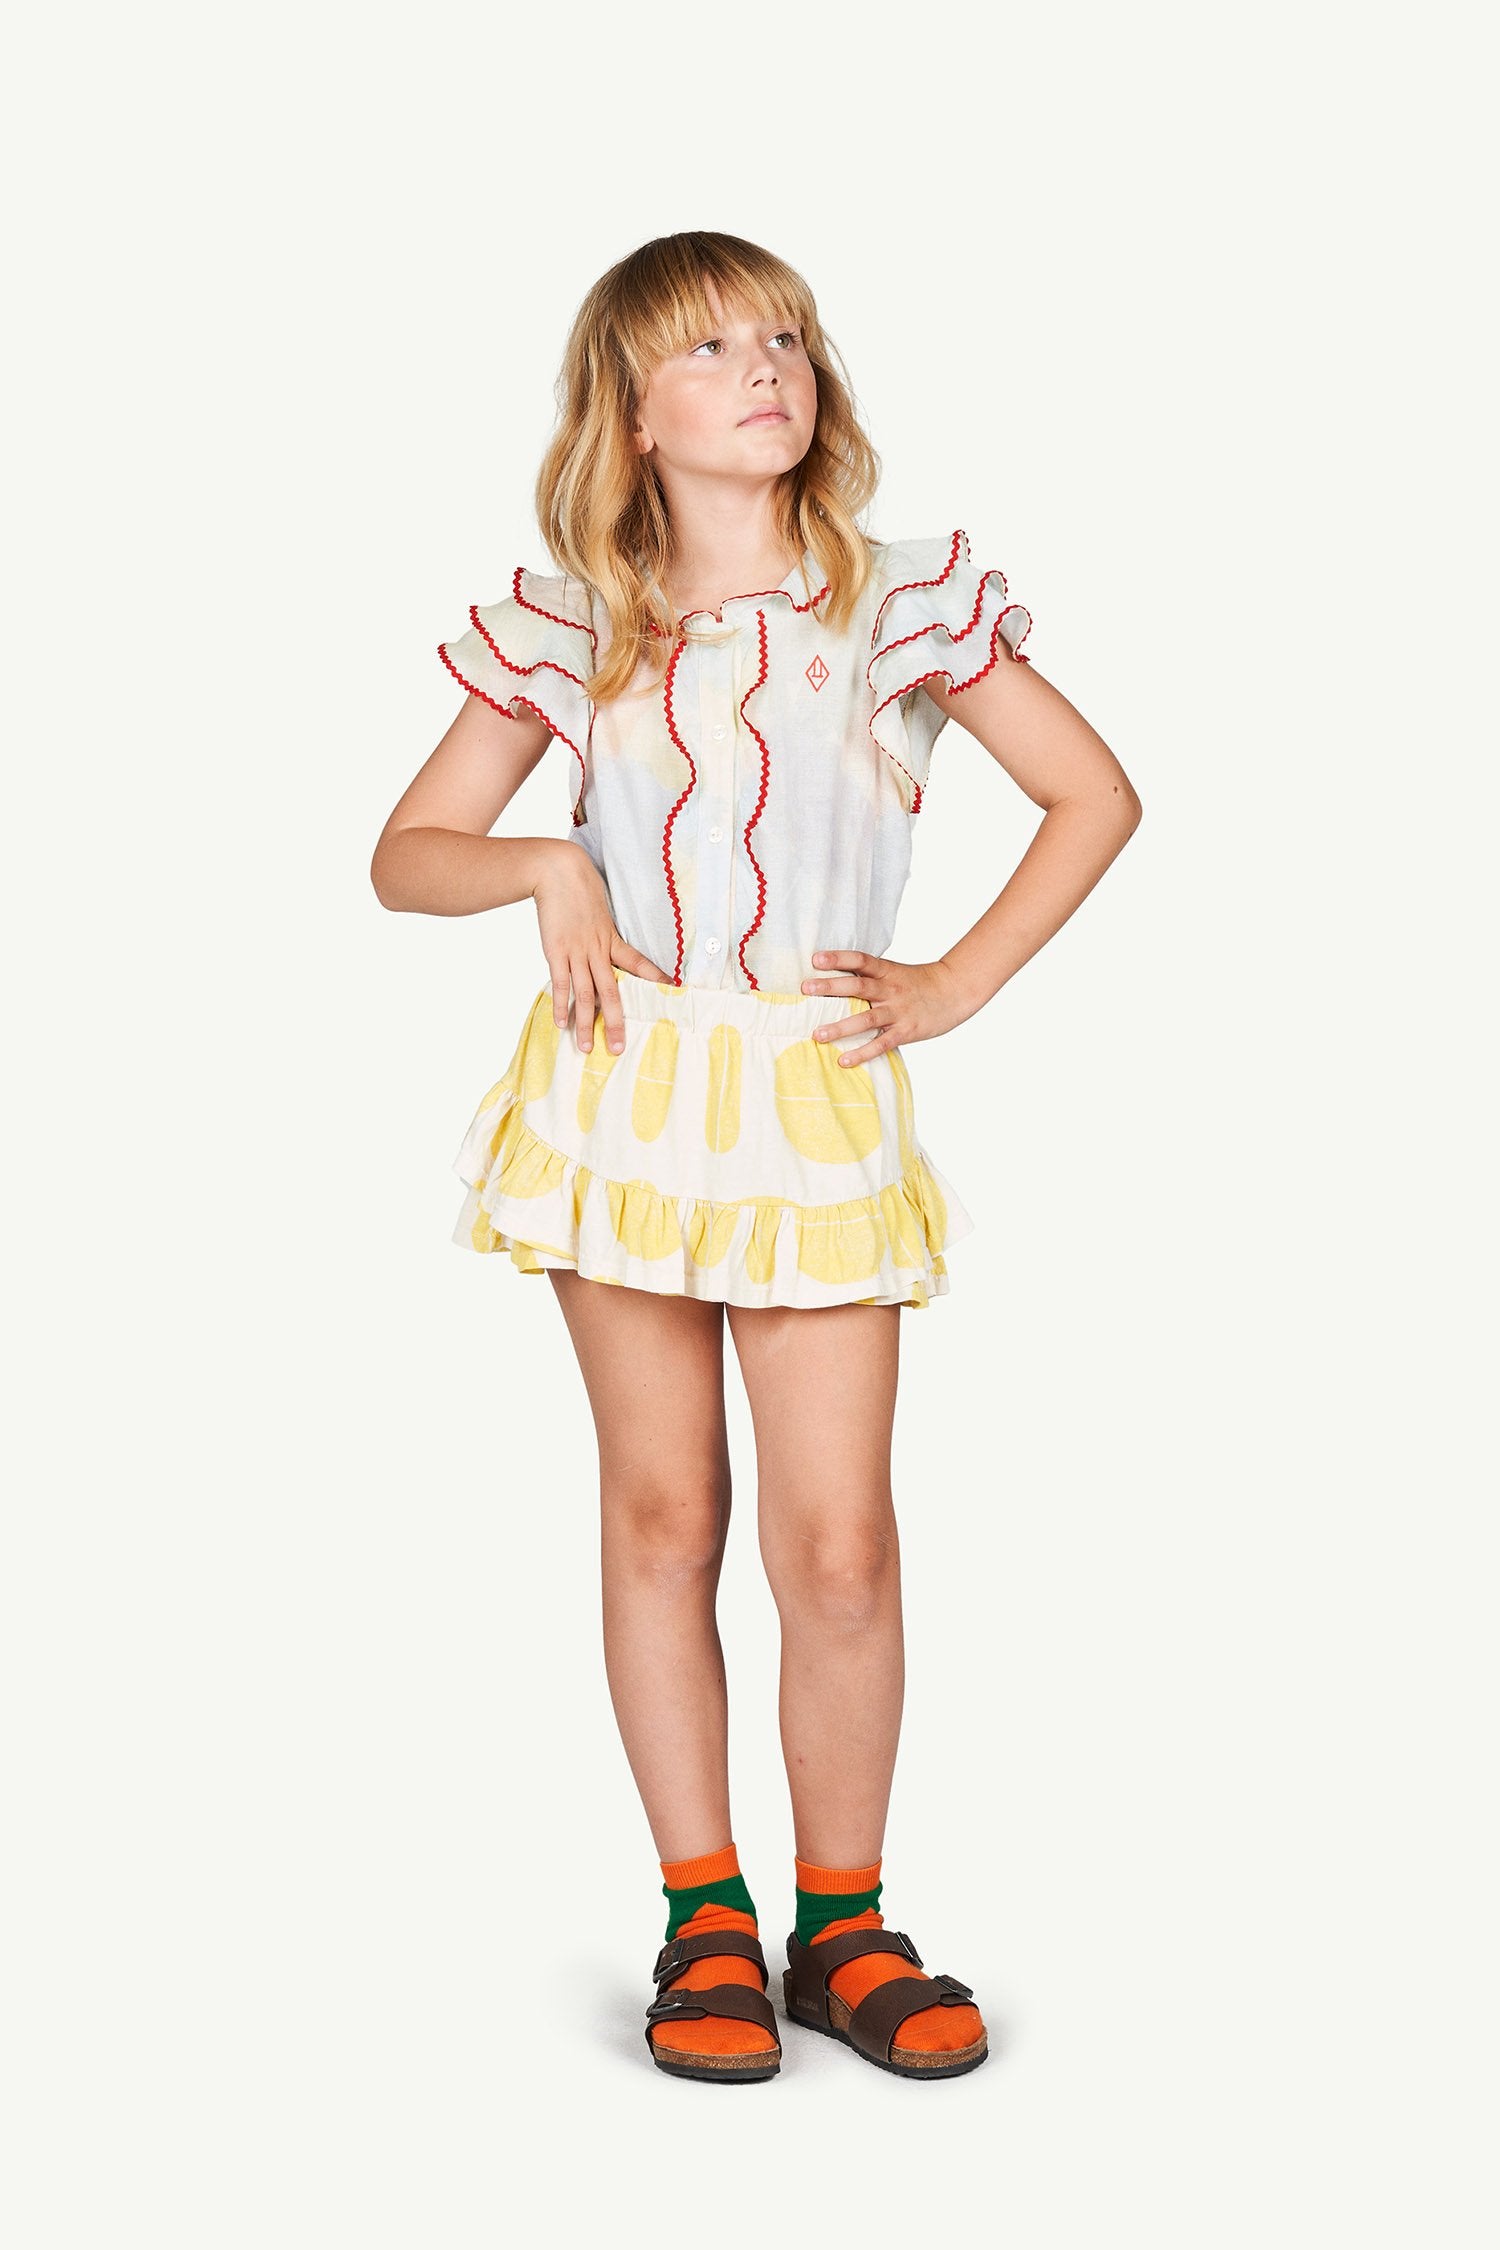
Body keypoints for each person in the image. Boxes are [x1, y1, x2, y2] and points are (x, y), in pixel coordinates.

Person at [370, 230, 1142, 2085]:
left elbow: (1094, 793)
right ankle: (704, 1912)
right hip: (623, 1100)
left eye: (784, 335)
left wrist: (951, 980)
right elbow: (405, 854)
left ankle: (844, 1924)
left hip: (809, 1101)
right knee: (664, 1513)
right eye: (711, 347)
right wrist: (543, 866)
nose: (765, 366)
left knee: (840, 1541)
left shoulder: (900, 604)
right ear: (631, 414)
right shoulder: (575, 625)